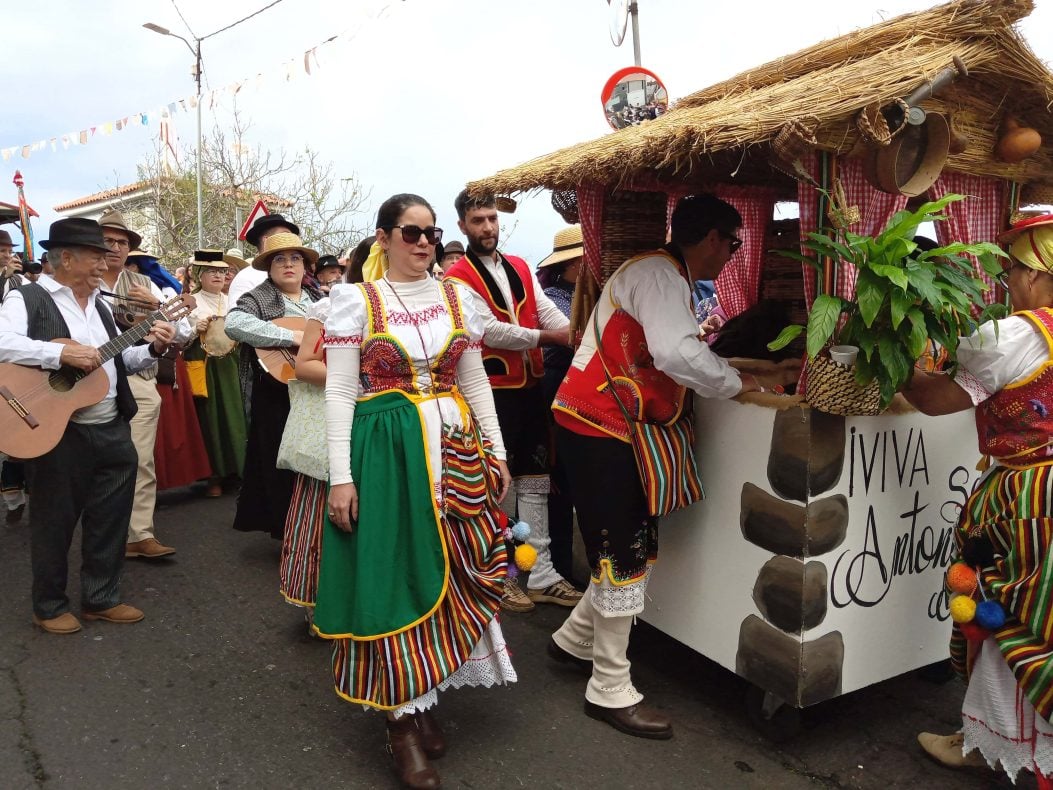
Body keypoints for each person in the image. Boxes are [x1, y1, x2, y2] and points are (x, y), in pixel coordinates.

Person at [317, 193, 515, 789]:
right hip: (389, 457)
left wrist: (497, 452)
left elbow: (475, 378)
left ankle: (425, 698)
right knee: (398, 575)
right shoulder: (358, 300)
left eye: (430, 232)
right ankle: (400, 721)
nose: (423, 242)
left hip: (455, 453)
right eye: (410, 232)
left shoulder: (459, 296)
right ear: (383, 238)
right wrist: (341, 477)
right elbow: (339, 393)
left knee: (455, 572)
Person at [549, 194, 762, 739]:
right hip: (604, 425)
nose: (732, 255)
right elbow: (676, 354)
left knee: (631, 547)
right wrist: (738, 383)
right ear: (712, 238)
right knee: (624, 551)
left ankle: (574, 639)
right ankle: (609, 687)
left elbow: (672, 352)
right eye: (733, 244)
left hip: (599, 421)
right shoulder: (661, 275)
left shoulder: (658, 271)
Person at [908, 215, 1053, 787]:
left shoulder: (1017, 335)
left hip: (1029, 498)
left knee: (1007, 618)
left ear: (1039, 274)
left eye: (1016, 268)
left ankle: (993, 744)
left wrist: (899, 366)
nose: (1009, 280)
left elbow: (937, 400)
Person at [0, 218, 177, 633]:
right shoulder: (27, 298)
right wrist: (58, 355)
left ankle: (101, 598)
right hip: (58, 429)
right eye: (96, 254)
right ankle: (48, 605)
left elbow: (117, 361)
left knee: (111, 517)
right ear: (65, 257)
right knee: (54, 522)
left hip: (113, 424)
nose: (107, 259)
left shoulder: (101, 304)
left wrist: (151, 347)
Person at [444, 190, 580, 613]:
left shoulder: (520, 265)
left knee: (535, 480)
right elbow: (486, 332)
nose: (487, 227)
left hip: (529, 388)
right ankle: (499, 573)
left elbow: (543, 309)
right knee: (496, 484)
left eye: (491, 219)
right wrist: (555, 337)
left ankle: (539, 573)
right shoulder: (456, 279)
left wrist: (573, 330)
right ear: (463, 225)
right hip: (489, 391)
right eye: (478, 220)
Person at [97, 209, 185, 560]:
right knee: (90, 465)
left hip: (139, 376)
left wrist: (160, 311)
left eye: (122, 242)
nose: (116, 248)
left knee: (140, 458)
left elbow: (182, 330)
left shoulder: (144, 286)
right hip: (89, 381)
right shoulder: (76, 286)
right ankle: (100, 536)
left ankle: (139, 534)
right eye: (108, 241)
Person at [225, 232, 322, 540]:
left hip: (314, 390)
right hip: (276, 391)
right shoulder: (258, 297)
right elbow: (234, 323)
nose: (289, 265)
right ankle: (288, 531)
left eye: (295, 258)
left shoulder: (320, 301)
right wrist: (293, 337)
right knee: (278, 461)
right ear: (269, 267)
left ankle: (315, 525)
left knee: (315, 456)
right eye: (280, 259)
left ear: (306, 266)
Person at [536, 224, 584, 582]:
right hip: (556, 389)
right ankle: (558, 568)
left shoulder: (590, 293)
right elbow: (571, 340)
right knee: (559, 479)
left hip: (579, 389)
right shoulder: (552, 296)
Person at [184, 251, 248, 497]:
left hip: (233, 365)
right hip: (206, 366)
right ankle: (214, 477)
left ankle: (240, 471)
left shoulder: (233, 299)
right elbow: (177, 338)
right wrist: (194, 329)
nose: (220, 275)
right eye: (213, 271)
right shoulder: (190, 301)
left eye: (223, 271)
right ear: (200, 275)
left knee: (237, 415)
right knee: (210, 418)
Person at [227, 214, 300, 305]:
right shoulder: (246, 277)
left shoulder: (297, 276)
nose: (289, 240)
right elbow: (236, 315)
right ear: (266, 240)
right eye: (285, 235)